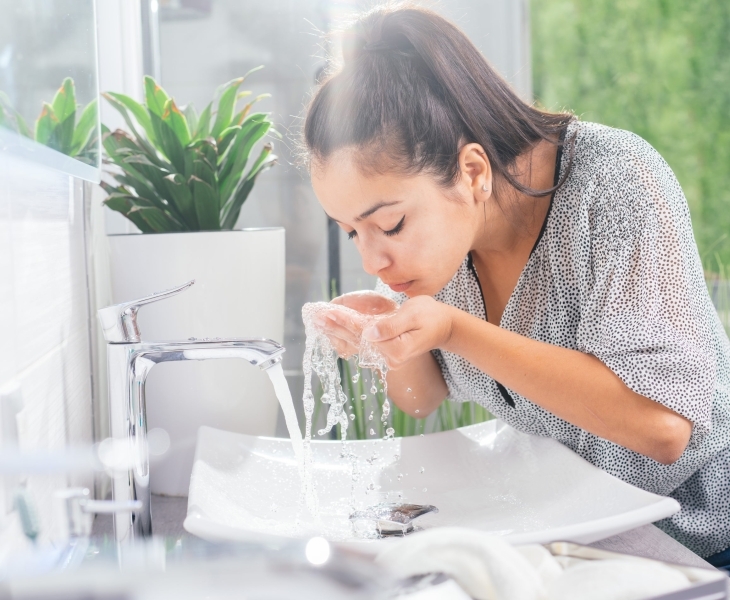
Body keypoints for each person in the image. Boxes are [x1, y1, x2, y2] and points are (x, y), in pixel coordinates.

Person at [302, 5, 730, 565]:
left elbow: (664, 428)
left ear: (472, 172)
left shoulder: (613, 183)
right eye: (351, 231)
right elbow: (422, 398)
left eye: (389, 224)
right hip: (573, 536)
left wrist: (455, 329)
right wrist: (389, 336)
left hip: (700, 541)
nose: (374, 257)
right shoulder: (440, 243)